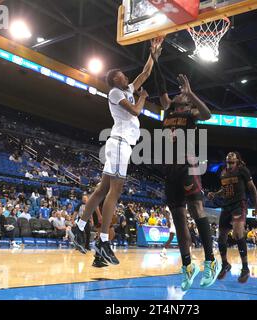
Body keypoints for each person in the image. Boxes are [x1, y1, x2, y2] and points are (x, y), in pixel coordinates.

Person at [74, 38, 163, 267]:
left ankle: (79, 228)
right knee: (115, 190)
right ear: (115, 80)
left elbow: (144, 73)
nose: (125, 76)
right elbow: (134, 111)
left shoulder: (127, 89)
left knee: (103, 189)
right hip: (120, 143)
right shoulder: (115, 92)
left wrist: (153, 54)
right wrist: (143, 98)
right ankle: (103, 241)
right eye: (122, 75)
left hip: (120, 144)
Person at [153, 52, 221, 291]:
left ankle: (211, 262)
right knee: (179, 219)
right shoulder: (169, 110)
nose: (177, 92)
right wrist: (155, 58)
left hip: (188, 164)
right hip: (169, 169)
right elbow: (160, 87)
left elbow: (208, 114)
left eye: (182, 93)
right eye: (180, 92)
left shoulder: (191, 113)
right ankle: (188, 265)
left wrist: (191, 92)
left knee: (197, 209)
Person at [208, 152, 257, 283]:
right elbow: (224, 189)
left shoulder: (243, 170)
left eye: (232, 162)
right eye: (227, 162)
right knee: (221, 238)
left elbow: (252, 188)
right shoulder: (223, 172)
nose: (229, 164)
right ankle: (225, 264)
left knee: (237, 234)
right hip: (226, 206)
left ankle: (245, 268)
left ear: (237, 161)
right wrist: (215, 194)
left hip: (239, 205)